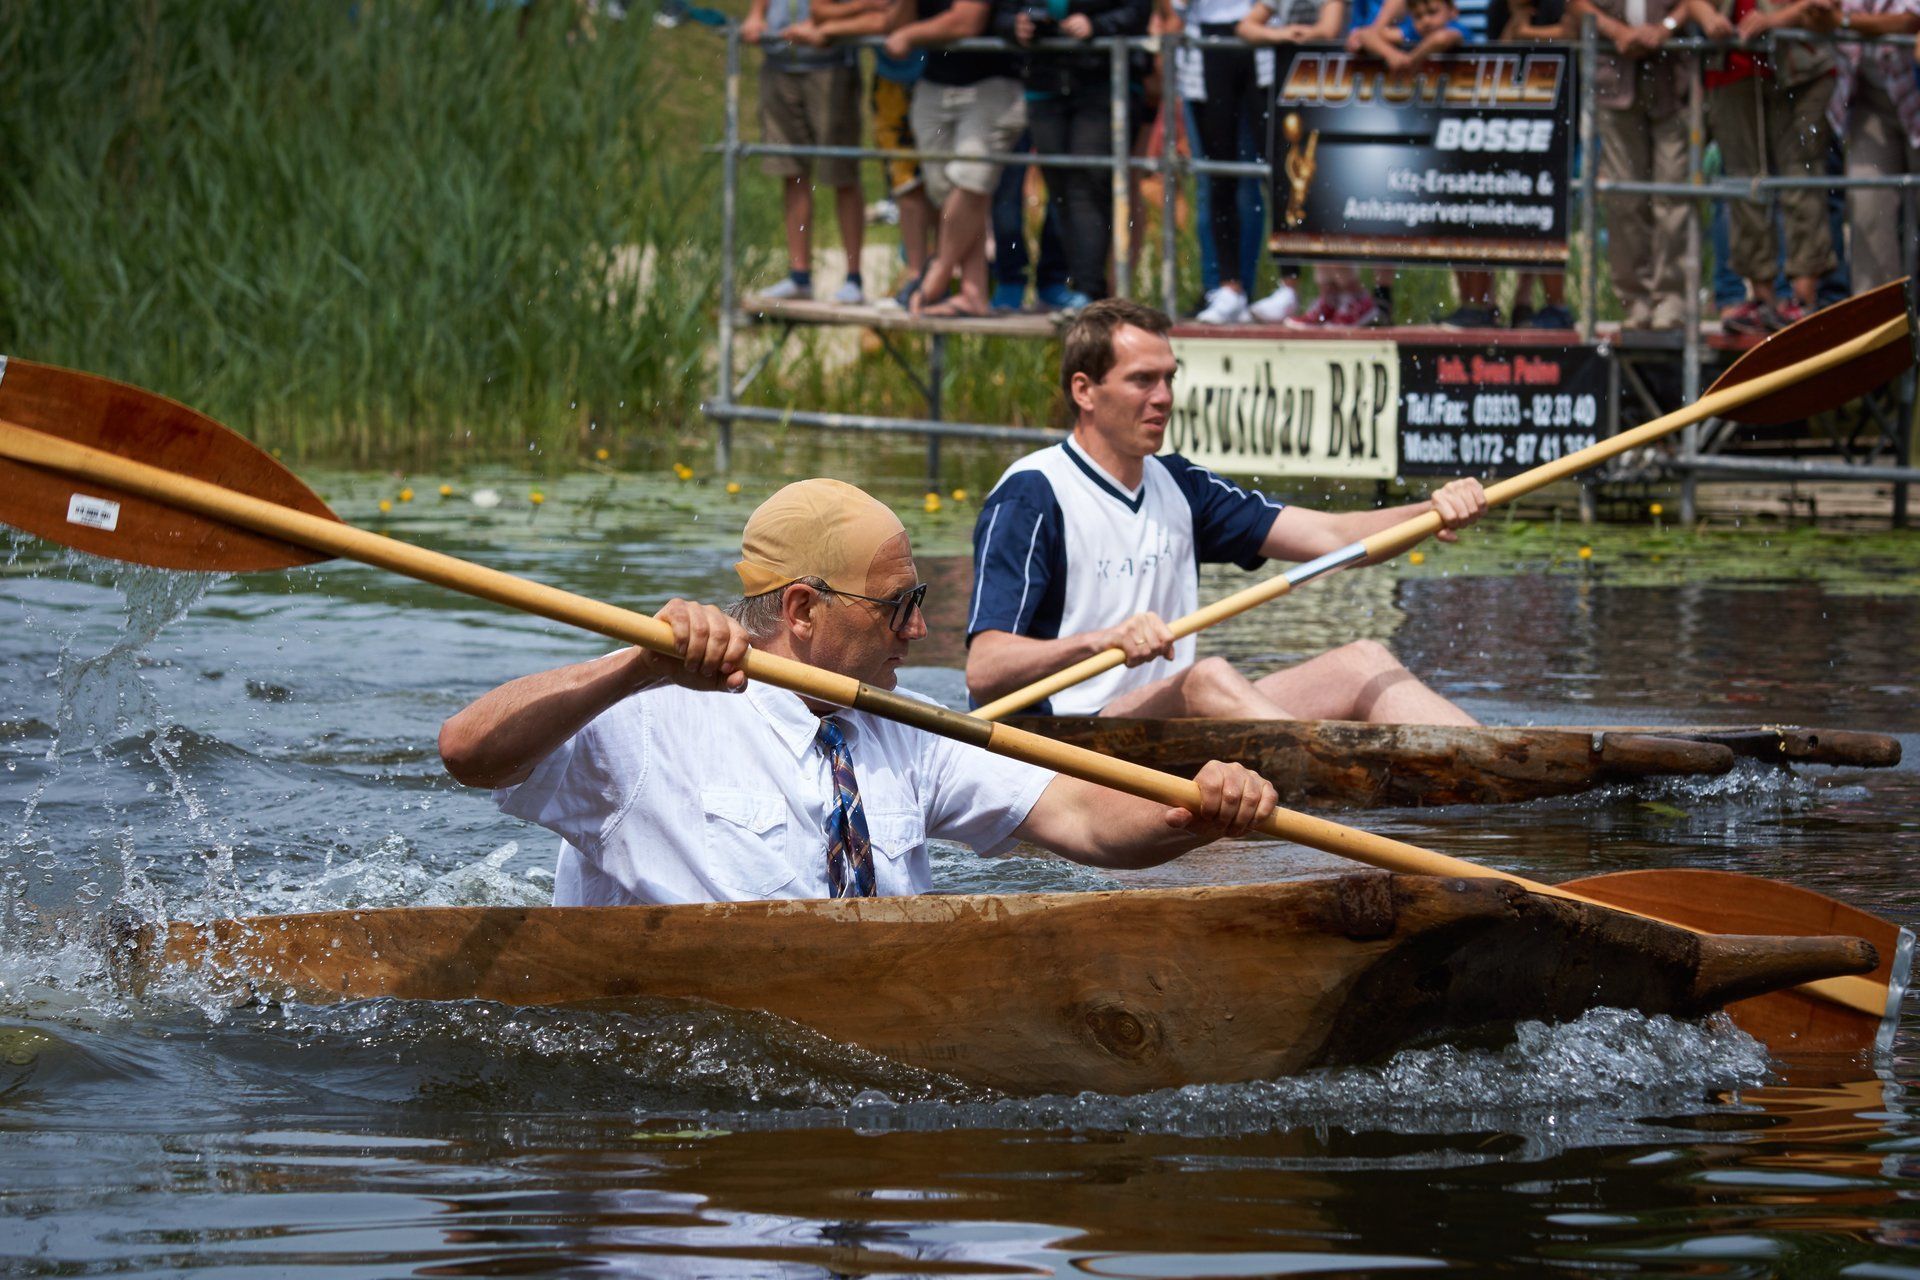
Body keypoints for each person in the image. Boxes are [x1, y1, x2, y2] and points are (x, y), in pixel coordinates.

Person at [440, 478, 1278, 906]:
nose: (919, 632)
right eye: (898, 608)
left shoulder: (904, 731)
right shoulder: (647, 715)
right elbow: (469, 754)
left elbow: (1087, 821)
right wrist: (632, 666)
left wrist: (1192, 813)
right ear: (802, 611)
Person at [965, 299, 1490, 721]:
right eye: (1143, 380)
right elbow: (984, 670)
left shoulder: (1183, 485)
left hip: (1160, 721)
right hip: (1068, 736)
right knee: (1206, 679)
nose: (1165, 397)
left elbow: (1337, 538)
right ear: (1085, 390)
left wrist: (1434, 510)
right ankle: (1319, 777)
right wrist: (1101, 642)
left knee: (1365, 663)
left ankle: (1500, 765)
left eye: (1169, 378)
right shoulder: (1031, 495)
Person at [1692, 0, 1839, 333]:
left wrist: (1777, 18)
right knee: (1745, 185)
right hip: (1731, 67)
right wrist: (1708, 16)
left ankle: (1802, 302)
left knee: (1801, 181)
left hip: (1801, 69)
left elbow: (1828, 6)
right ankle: (1762, 301)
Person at [996, 0, 1153, 307]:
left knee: (1087, 182)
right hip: (1044, 83)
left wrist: (1096, 26)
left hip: (1103, 81)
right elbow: (997, 13)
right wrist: (1014, 25)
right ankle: (1075, 286)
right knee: (1060, 188)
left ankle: (1090, 291)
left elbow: (1138, 9)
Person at [786, 1, 938, 303]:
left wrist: (829, 29)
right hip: (889, 82)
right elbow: (820, 9)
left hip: (932, 78)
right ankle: (917, 277)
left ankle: (940, 274)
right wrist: (864, 9)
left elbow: (892, 20)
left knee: (938, 182)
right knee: (904, 183)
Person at [884, 0, 1028, 316]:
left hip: (992, 84)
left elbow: (967, 21)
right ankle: (973, 292)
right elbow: (892, 26)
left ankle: (937, 273)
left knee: (970, 183)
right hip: (933, 85)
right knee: (949, 193)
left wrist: (909, 35)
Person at [1572, 0, 1692, 329]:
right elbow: (1577, 4)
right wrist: (1619, 32)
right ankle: (1634, 301)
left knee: (1672, 194)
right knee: (1624, 197)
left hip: (1672, 79)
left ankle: (1671, 299)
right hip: (1615, 78)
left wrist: (1665, 28)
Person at [741, 0, 868, 304]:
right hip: (779, 64)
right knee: (791, 172)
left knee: (843, 174)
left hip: (831, 65)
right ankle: (799, 276)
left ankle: (854, 278)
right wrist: (757, 15)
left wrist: (827, 28)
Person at [1235, 0, 1346, 323]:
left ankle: (1347, 292)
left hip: (1326, 90)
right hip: (1290, 93)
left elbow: (1329, 29)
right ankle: (1313, 292)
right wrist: (1284, 33)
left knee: (1325, 192)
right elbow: (1245, 26)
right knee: (1293, 190)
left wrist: (1293, 34)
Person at [1810, 0, 1920, 293]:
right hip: (1868, 102)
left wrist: (1843, 21)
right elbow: (1816, 15)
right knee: (1868, 210)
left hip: (1913, 92)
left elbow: (1909, 21)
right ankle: (1882, 324)